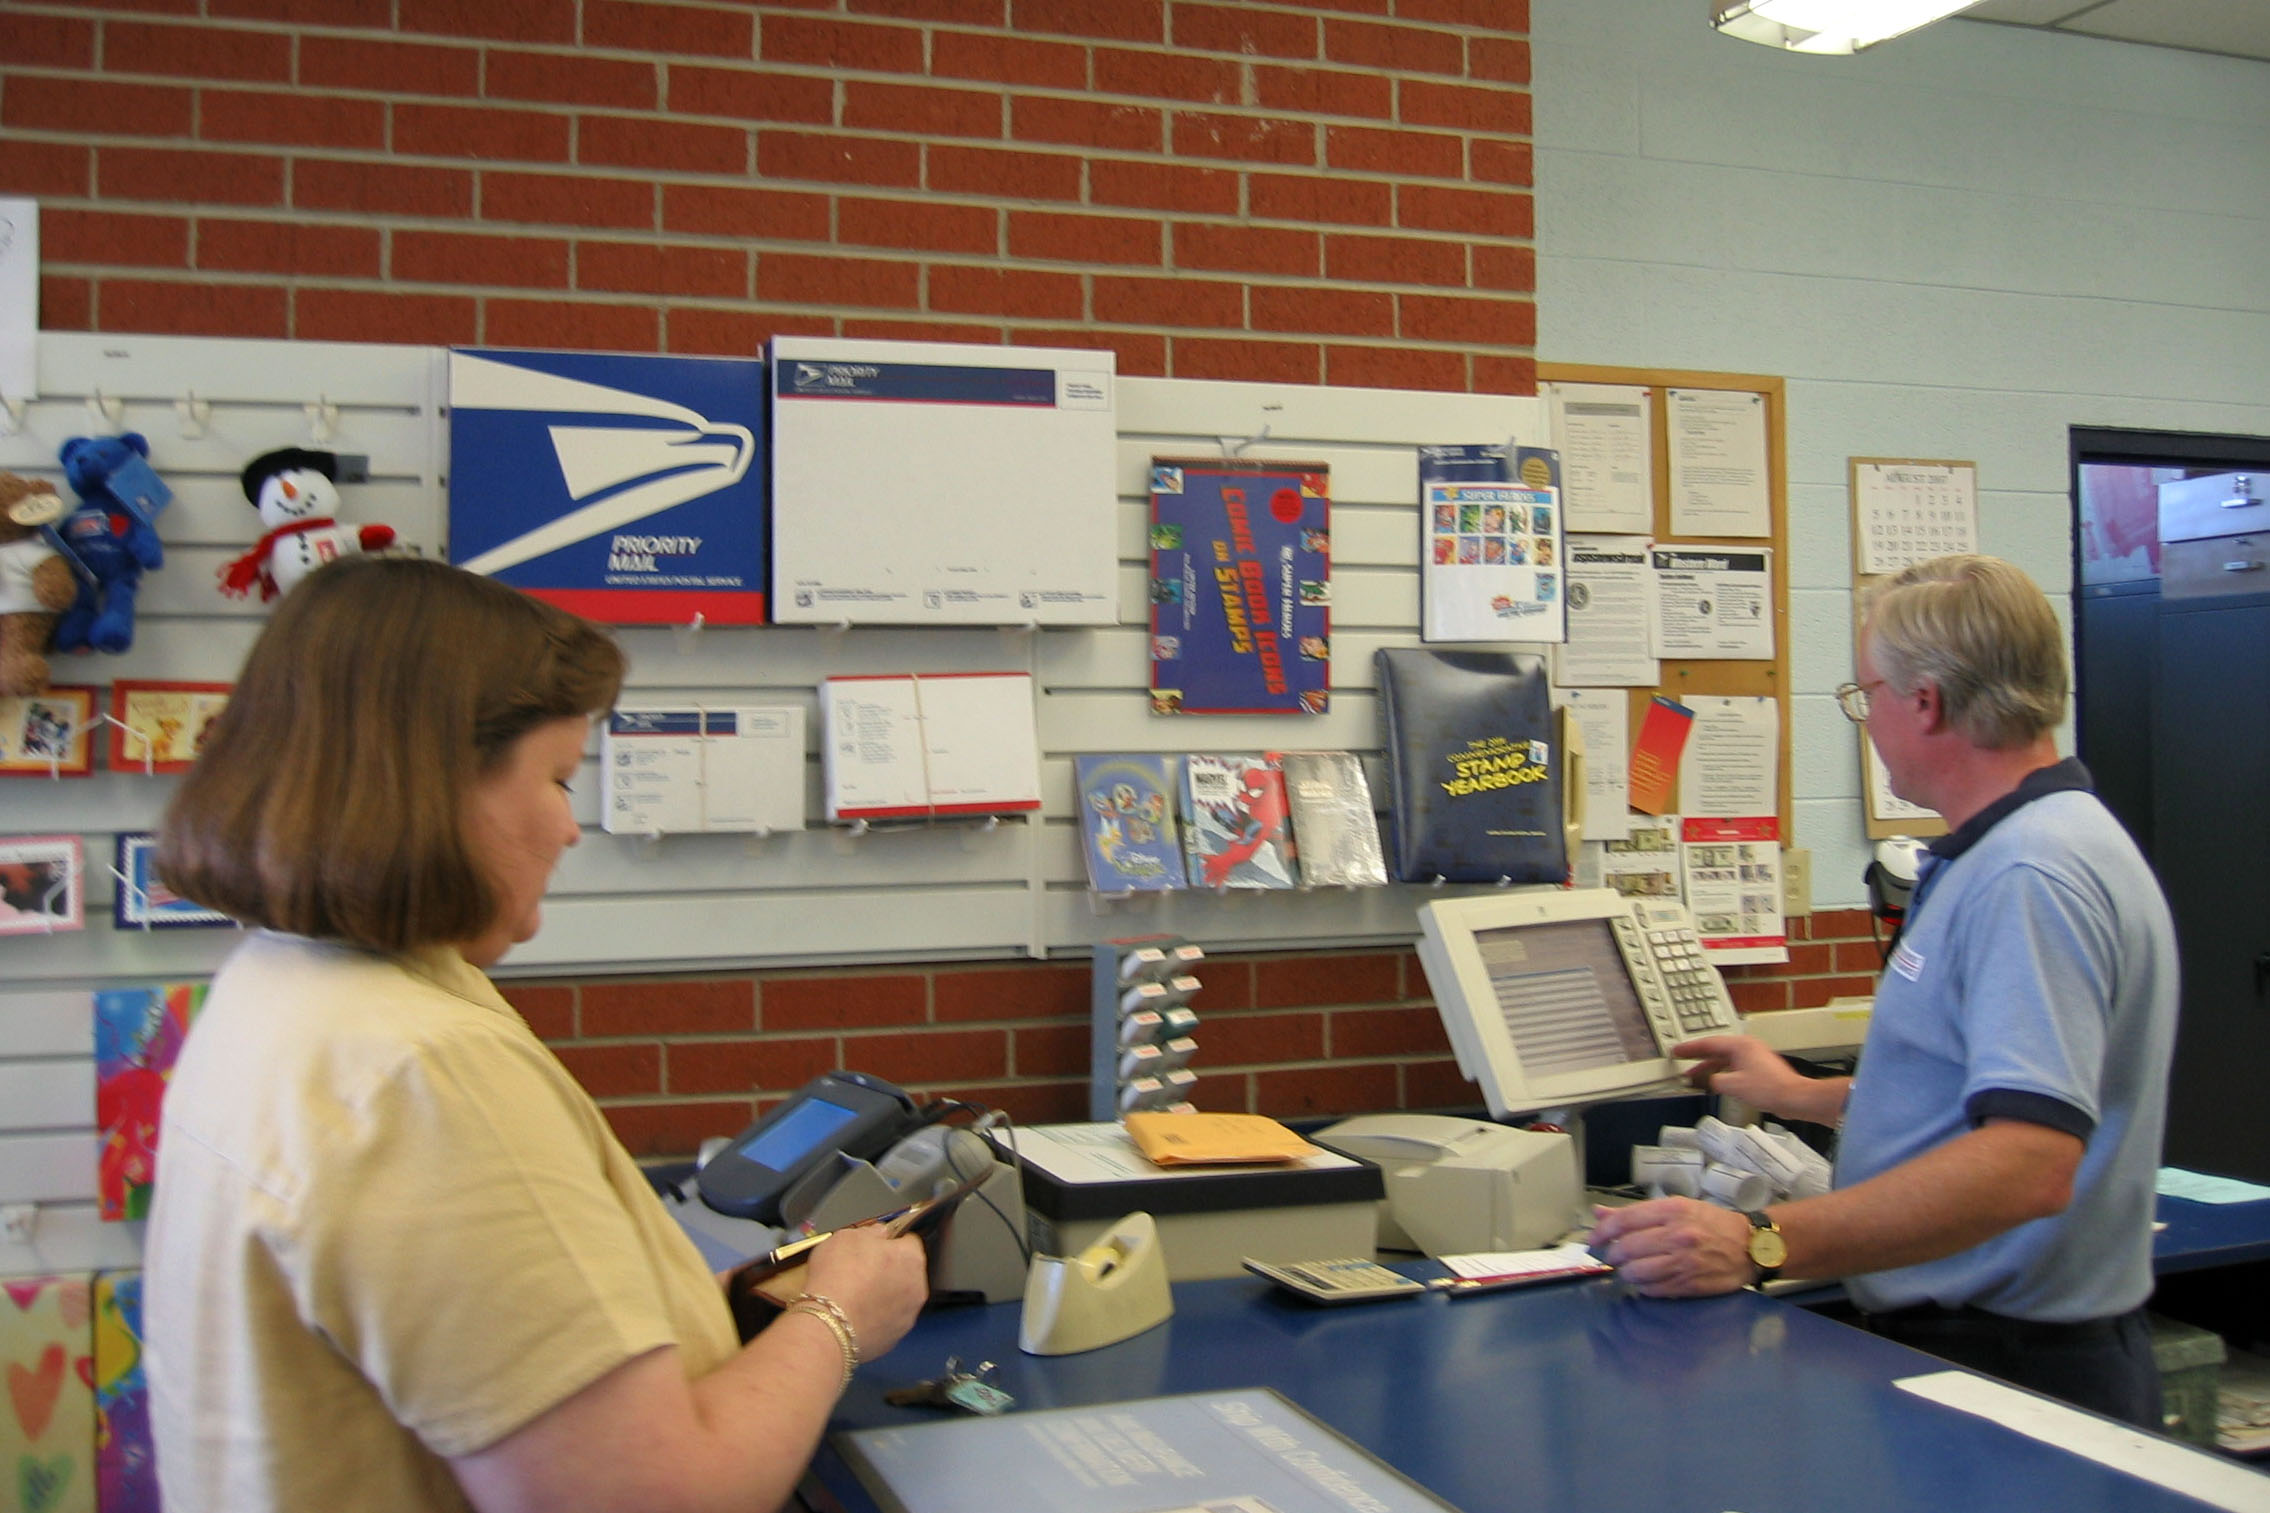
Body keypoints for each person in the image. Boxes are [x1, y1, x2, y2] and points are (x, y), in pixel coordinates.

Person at [145, 555, 929, 1513]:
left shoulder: (276, 991)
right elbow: (660, 1496)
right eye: (556, 778)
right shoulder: (420, 1073)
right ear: (433, 788)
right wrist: (837, 1315)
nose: (567, 827)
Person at [1589, 554, 2177, 1428]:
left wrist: (1763, 1241)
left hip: (2015, 1368)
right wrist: (1798, 1093)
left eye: (1866, 697)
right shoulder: (2011, 848)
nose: (1866, 723)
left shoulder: (2030, 873)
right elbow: (1975, 1091)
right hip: (1985, 1350)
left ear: (1927, 701)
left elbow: (2029, 1162)